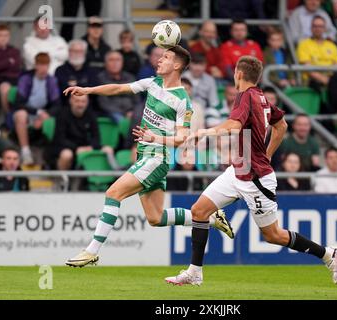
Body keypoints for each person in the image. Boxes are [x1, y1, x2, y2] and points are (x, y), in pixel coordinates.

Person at [164, 56, 337, 286]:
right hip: (238, 170)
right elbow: (282, 125)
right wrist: (266, 154)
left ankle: (328, 254)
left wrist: (204, 132)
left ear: (239, 73)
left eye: (235, 72)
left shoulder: (245, 97)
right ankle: (195, 272)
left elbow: (233, 126)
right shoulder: (262, 98)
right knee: (199, 211)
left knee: (273, 235)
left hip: (256, 179)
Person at [63, 46, 234, 267]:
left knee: (113, 192)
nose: (160, 59)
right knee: (156, 218)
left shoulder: (182, 100)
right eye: (161, 56)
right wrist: (88, 90)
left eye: (166, 57)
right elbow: (118, 89)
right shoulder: (152, 83)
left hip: (158, 157)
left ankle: (92, 251)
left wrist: (156, 138)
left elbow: (183, 138)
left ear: (177, 65)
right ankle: (211, 217)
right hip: (146, 155)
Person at [14, 53, 61, 165]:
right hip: (28, 112)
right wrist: (38, 112)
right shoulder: (25, 79)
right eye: (41, 65)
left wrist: (45, 115)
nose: (44, 68)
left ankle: (50, 157)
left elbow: (57, 104)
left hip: (43, 115)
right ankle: (25, 152)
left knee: (56, 119)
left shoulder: (51, 81)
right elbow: (19, 103)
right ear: (36, 65)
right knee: (21, 115)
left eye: (46, 65)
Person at [44, 94, 109, 170]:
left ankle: (111, 177)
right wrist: (77, 148)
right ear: (70, 101)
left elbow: (96, 137)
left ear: (87, 102)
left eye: (83, 101)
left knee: (108, 149)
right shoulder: (62, 114)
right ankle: (62, 179)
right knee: (67, 154)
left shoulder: (91, 115)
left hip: (83, 146)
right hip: (64, 147)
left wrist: (91, 147)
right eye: (77, 101)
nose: (80, 104)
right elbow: (60, 139)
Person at [296, 15, 337, 89]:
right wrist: (324, 79)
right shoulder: (303, 44)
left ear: (324, 28)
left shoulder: (332, 45)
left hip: (331, 78)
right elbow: (307, 68)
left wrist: (329, 79)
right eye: (315, 26)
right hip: (311, 80)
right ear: (311, 28)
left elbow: (336, 66)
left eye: (320, 26)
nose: (318, 29)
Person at [0, 24, 22, 113]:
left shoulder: (14, 50)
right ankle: (9, 116)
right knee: (5, 88)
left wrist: (2, 63)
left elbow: (17, 65)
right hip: (0, 81)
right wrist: (8, 61)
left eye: (6, 35)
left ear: (9, 37)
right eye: (0, 35)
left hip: (16, 79)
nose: (3, 38)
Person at [96, 51, 139, 123]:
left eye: (118, 60)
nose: (115, 63)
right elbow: (103, 103)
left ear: (122, 62)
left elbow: (137, 100)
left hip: (130, 112)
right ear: (105, 63)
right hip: (112, 112)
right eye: (111, 60)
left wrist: (132, 111)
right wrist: (124, 113)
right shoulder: (100, 78)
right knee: (120, 119)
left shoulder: (130, 78)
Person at [55, 39, 96, 106]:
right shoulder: (60, 70)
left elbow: (94, 91)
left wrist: (73, 86)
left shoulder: (92, 71)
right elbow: (60, 91)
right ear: (69, 52)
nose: (77, 54)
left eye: (80, 51)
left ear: (85, 53)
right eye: (74, 51)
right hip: (65, 106)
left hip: (88, 107)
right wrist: (83, 87)